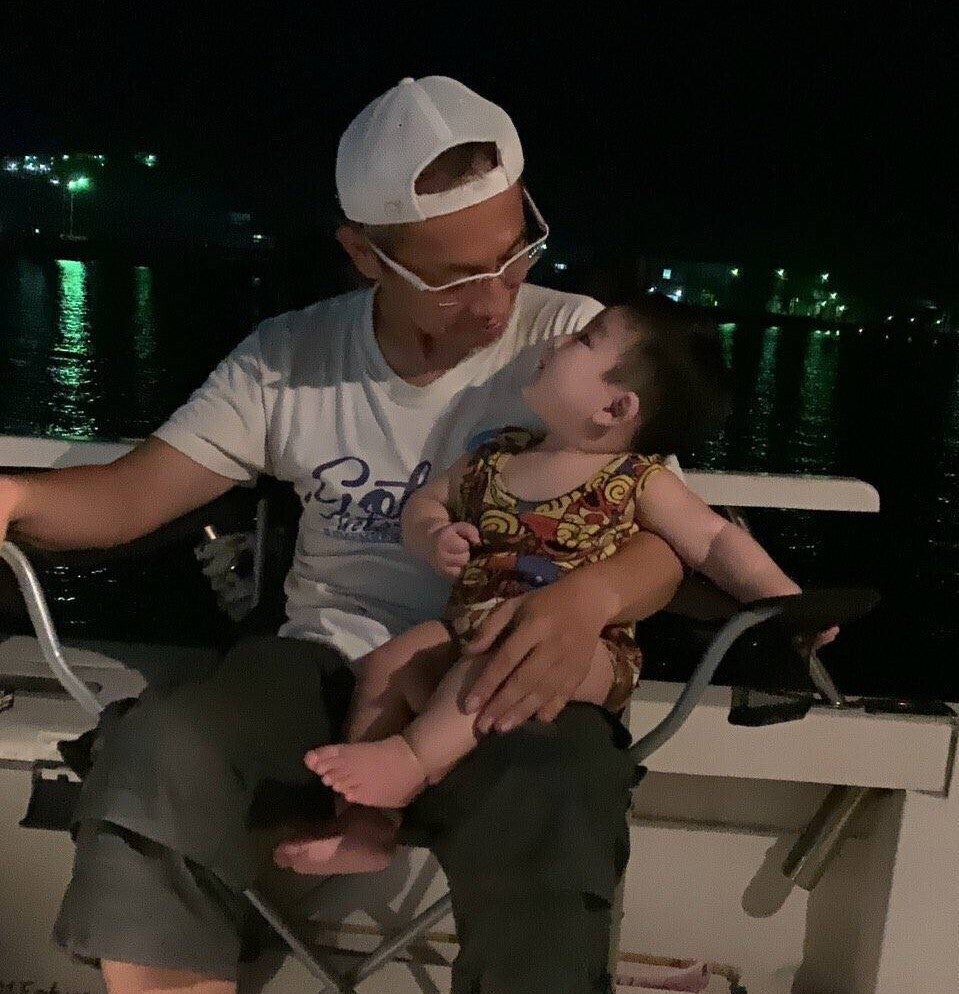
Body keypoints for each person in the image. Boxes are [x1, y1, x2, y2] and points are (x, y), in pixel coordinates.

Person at [0, 76, 686, 994]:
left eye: (514, 254)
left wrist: (587, 599)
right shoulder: (291, 357)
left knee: (558, 791)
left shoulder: (571, 341)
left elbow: (666, 540)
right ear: (364, 254)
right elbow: (130, 498)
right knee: (161, 746)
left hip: (503, 673)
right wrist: (12, 495)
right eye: (452, 278)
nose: (495, 303)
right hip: (319, 667)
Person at [275, 295, 836, 876]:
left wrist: (787, 604)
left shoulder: (636, 479)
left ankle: (413, 761)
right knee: (387, 666)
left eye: (583, 341)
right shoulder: (494, 458)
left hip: (587, 653)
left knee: (505, 651)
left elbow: (714, 540)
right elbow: (427, 503)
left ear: (615, 407)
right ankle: (365, 827)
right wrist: (434, 534)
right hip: (471, 626)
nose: (556, 342)